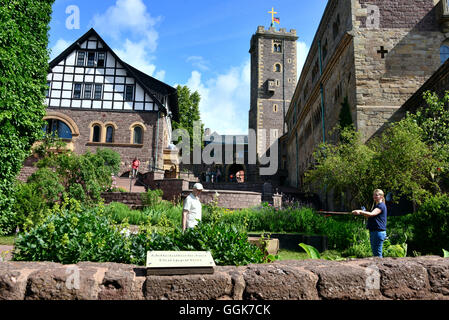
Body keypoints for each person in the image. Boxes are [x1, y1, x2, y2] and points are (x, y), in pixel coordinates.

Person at [352, 189, 388, 258]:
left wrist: (360, 211)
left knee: (377, 255)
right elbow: (370, 216)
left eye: (376, 195)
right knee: (376, 254)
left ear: (381, 196)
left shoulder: (381, 206)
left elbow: (372, 214)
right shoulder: (377, 206)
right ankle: (379, 267)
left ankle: (380, 268)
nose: (374, 196)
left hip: (378, 232)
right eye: (374, 195)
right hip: (375, 232)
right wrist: (361, 213)